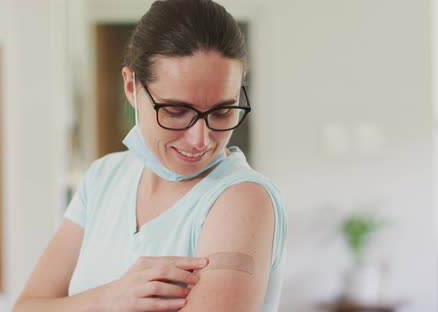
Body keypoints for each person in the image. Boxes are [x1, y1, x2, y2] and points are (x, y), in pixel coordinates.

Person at [14, 0, 287, 311]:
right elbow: (26, 307)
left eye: (222, 111)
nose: (200, 139)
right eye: (176, 110)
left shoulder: (241, 199)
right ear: (131, 87)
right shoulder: (103, 179)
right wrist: (111, 298)